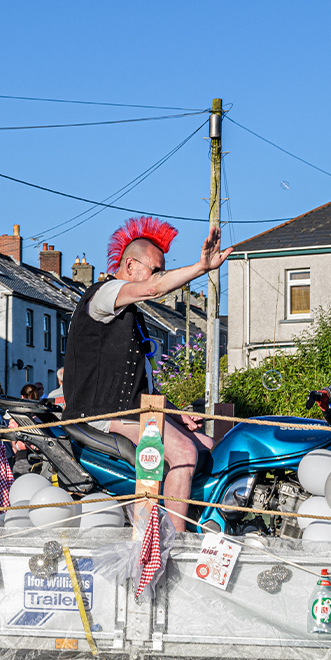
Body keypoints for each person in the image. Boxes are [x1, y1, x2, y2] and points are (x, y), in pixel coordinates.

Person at [62, 216, 231, 531]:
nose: (161, 279)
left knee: (211, 447)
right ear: (129, 266)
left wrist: (175, 413)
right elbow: (152, 289)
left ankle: (209, 523)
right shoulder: (104, 295)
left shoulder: (131, 315)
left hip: (133, 411)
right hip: (100, 413)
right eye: (157, 270)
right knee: (183, 452)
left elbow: (140, 386)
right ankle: (174, 542)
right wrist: (201, 268)